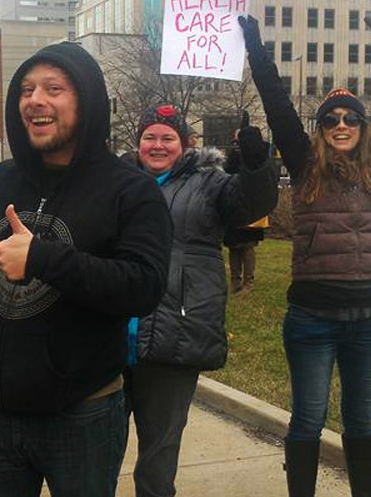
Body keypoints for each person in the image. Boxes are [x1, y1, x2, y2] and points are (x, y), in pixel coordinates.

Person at [0, 43, 173, 497]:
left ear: (85, 100)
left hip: (82, 413)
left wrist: (43, 259)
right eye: (26, 89)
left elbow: (142, 286)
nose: (35, 99)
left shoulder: (130, 191)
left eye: (54, 88)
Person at [240, 10, 371, 497]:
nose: (341, 124)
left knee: (362, 420)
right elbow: (275, 103)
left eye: (350, 118)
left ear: (362, 125)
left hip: (369, 319)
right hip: (312, 319)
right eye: (331, 119)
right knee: (308, 418)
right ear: (321, 128)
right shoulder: (303, 164)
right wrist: (255, 45)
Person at [127, 105, 278, 497]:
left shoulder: (209, 183)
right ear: (137, 142)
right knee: (99, 446)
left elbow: (251, 203)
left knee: (159, 454)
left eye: (167, 137)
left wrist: (257, 164)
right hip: (112, 336)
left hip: (172, 334)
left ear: (185, 144)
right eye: (149, 136)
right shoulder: (118, 181)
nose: (157, 145)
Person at [224, 123, 270, 294]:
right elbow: (227, 172)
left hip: (250, 206)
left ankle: (248, 282)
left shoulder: (257, 156)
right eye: (234, 141)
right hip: (233, 205)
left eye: (240, 140)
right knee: (233, 245)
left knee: (248, 246)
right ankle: (234, 281)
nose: (237, 144)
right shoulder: (233, 156)